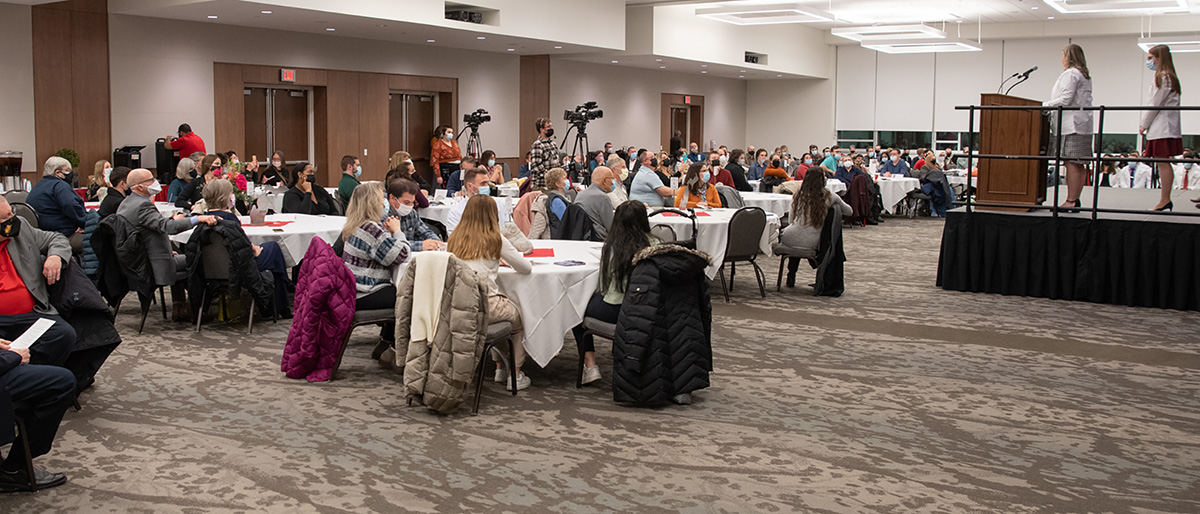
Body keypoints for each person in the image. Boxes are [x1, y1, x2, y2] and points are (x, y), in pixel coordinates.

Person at [447, 195, 532, 390]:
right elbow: (525, 267)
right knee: (517, 320)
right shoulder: (495, 238)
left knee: (501, 319)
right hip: (487, 304)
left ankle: (500, 366)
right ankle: (515, 374)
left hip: (458, 305)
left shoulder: (454, 238)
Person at [570, 201, 657, 385]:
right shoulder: (656, 244)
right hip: (649, 309)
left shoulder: (612, 247)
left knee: (574, 309)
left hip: (616, 308)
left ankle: (590, 364)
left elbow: (603, 285)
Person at [119, 168, 218, 319]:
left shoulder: (125, 204)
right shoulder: (143, 206)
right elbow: (168, 228)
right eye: (151, 180)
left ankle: (179, 305)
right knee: (196, 259)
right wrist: (197, 219)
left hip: (138, 260)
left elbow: (147, 230)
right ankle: (197, 309)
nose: (155, 182)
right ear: (139, 186)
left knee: (181, 256)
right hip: (153, 265)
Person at [0, 195, 76, 368]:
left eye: (11, 214)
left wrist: (55, 256)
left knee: (64, 334)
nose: (11, 221)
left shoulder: (21, 228)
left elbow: (56, 238)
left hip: (32, 313)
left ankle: (35, 377)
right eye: (4, 219)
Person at [341, 181, 409, 352]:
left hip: (352, 289)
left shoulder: (356, 225)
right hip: (364, 291)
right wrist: (398, 231)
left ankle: (387, 341)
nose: (384, 204)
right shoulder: (371, 229)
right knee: (409, 295)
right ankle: (395, 345)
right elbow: (401, 254)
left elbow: (388, 250)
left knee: (402, 291)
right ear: (372, 203)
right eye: (381, 200)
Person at [201, 178, 288, 281]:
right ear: (224, 197)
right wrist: (255, 249)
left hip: (211, 267)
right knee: (274, 248)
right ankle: (283, 288)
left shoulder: (204, 218)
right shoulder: (229, 220)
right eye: (230, 193)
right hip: (239, 266)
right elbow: (240, 243)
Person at [1045, 43, 1095, 211]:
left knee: (1071, 163)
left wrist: (1044, 105)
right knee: (1078, 164)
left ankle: (1071, 200)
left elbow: (1065, 99)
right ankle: (1074, 199)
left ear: (1068, 56)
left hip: (1071, 125)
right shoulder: (1084, 75)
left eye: (1063, 55)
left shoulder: (1071, 74)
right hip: (1081, 123)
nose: (1062, 59)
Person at [780, 171, 850, 287]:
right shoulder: (830, 196)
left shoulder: (797, 196)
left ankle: (791, 274)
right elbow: (849, 211)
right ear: (822, 180)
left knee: (797, 240)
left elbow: (790, 220)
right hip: (814, 240)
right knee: (813, 241)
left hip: (790, 236)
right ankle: (821, 275)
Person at [1142, 44, 1183, 211]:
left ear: (1160, 59)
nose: (1149, 61)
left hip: (1162, 126)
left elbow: (1155, 104)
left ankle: (1165, 198)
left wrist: (1143, 124)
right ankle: (1165, 198)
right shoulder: (1165, 76)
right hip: (1161, 125)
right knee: (1162, 163)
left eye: (1151, 58)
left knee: (1163, 163)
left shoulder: (1164, 77)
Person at [26, 157, 86, 239]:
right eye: (67, 170)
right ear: (57, 173)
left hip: (42, 235)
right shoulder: (60, 186)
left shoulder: (38, 185)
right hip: (62, 235)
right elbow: (71, 206)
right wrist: (85, 224)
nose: (70, 173)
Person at [445, 166, 511, 234]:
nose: (486, 187)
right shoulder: (457, 211)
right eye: (483, 183)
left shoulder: (500, 204)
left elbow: (511, 231)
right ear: (470, 186)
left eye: (487, 183)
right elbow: (456, 239)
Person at [385, 178, 442, 252]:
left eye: (412, 202)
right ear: (392, 198)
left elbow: (425, 232)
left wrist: (435, 241)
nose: (410, 206)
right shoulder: (383, 215)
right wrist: (420, 246)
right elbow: (390, 246)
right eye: (406, 202)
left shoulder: (411, 213)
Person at [576, 166, 617, 239]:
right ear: (604, 181)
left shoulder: (580, 194)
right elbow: (611, 227)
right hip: (599, 239)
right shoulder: (603, 198)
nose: (613, 183)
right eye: (612, 179)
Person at [528, 117, 559, 190]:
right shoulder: (537, 145)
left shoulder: (553, 144)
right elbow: (536, 165)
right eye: (548, 127)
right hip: (541, 185)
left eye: (551, 126)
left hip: (553, 184)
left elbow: (556, 162)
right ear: (542, 129)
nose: (551, 128)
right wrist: (550, 176)